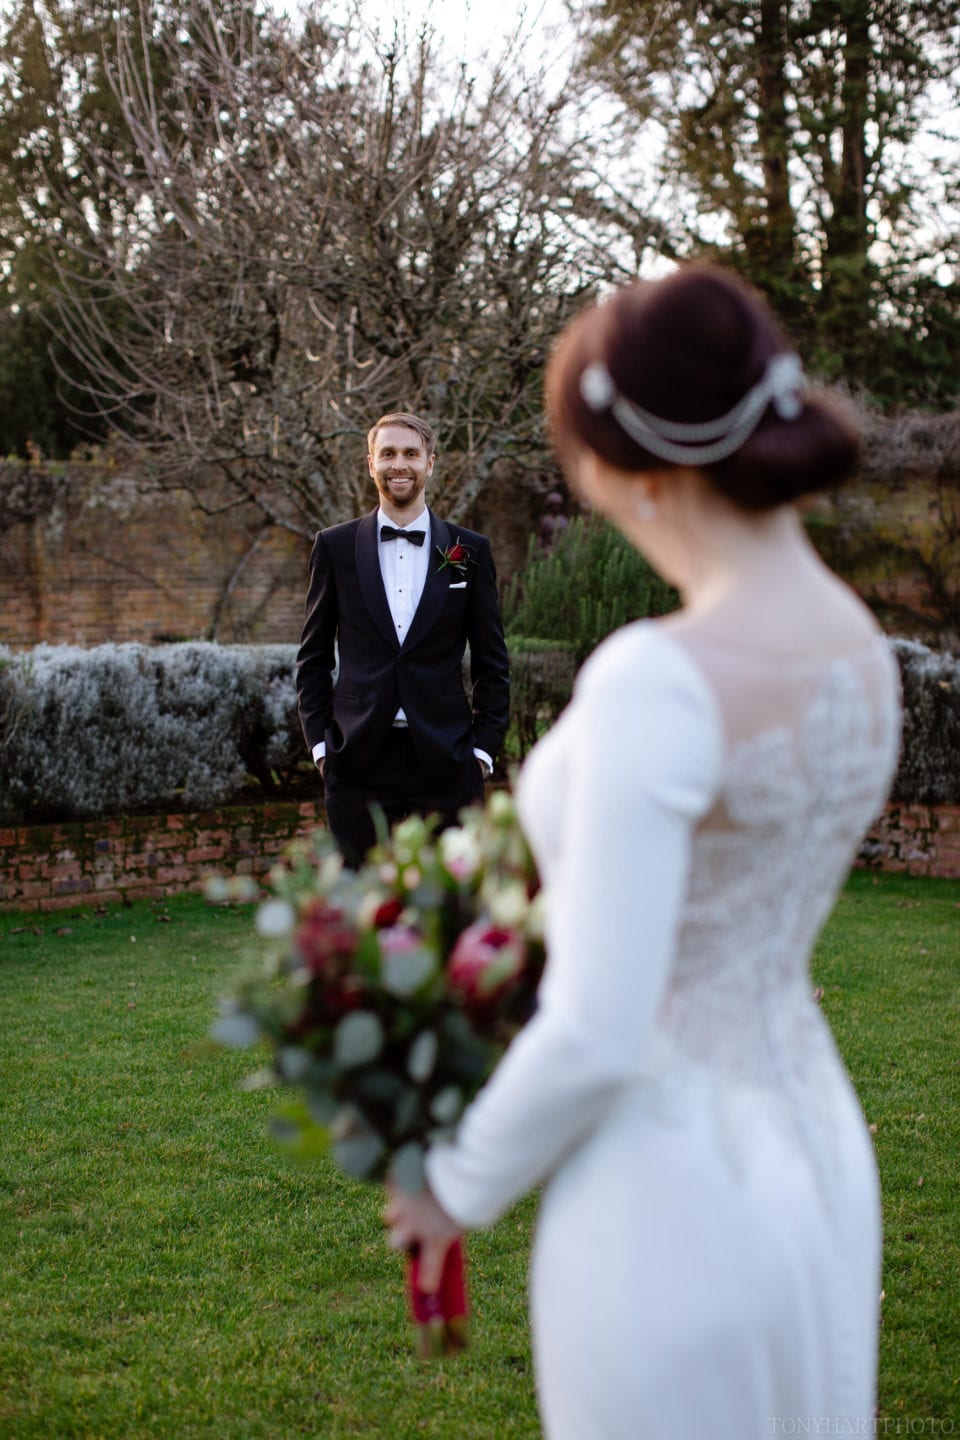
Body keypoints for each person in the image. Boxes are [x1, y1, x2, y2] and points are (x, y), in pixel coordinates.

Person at [384, 265, 901, 1437]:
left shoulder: (655, 681)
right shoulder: (862, 653)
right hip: (819, 1157)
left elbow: (600, 1027)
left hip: (668, 1196)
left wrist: (451, 1184)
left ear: (633, 467)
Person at [296, 411, 510, 869]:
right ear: (369, 463)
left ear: (430, 463)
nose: (399, 464)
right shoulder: (333, 547)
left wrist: (481, 753)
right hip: (356, 761)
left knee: (449, 903)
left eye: (411, 453)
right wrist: (322, 749)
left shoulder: (469, 551)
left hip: (448, 761)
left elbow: (492, 662)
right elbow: (313, 658)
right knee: (359, 901)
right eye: (388, 453)